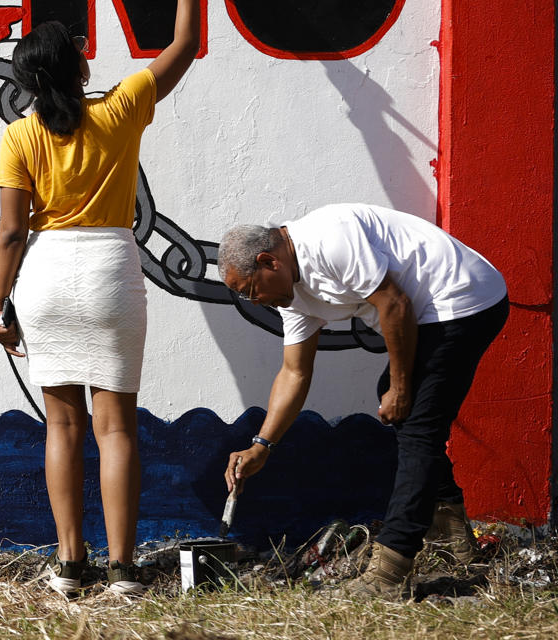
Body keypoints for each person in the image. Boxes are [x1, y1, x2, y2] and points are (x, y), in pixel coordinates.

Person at [0, 0, 201, 596]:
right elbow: (185, 46)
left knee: (62, 424)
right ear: (78, 67)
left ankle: (69, 566)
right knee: (116, 429)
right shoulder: (119, 110)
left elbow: (11, 236)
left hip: (47, 279)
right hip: (110, 271)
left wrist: (1, 307)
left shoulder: (18, 136)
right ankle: (124, 571)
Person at [218, 206, 509, 599]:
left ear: (269, 261)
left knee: (418, 424)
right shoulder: (292, 295)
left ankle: (391, 569)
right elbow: (294, 373)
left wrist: (402, 388)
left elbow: (394, 304)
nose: (256, 302)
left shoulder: (329, 240)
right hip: (427, 313)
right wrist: (261, 445)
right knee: (395, 399)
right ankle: (450, 526)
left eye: (252, 291)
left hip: (464, 298)